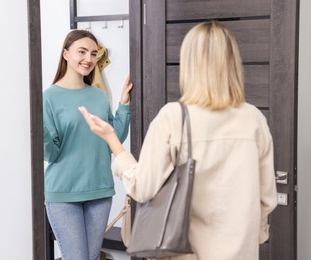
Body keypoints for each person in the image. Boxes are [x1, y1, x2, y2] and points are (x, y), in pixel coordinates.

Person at [79, 21, 278, 260]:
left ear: (189, 64)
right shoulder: (253, 119)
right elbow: (266, 199)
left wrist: (112, 140)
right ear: (232, 63)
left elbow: (143, 188)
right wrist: (250, 238)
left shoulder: (174, 118)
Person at [43, 29, 133, 260]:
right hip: (63, 193)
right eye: (81, 52)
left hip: (99, 191)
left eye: (93, 54)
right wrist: (37, 129)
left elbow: (114, 138)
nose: (89, 59)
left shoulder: (98, 96)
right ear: (65, 54)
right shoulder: (48, 98)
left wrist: (123, 104)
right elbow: (51, 153)